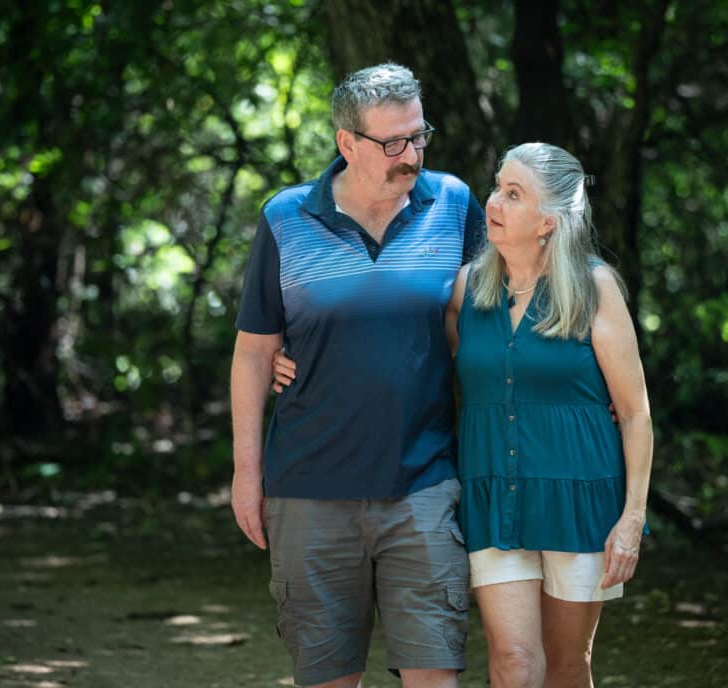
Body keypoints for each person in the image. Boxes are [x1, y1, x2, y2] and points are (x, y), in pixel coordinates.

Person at [277, 142, 654, 688]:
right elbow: (395, 348)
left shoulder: (593, 289)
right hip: (491, 495)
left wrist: (632, 519)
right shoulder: (467, 289)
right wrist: (289, 357)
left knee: (568, 666)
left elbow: (636, 412)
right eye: (498, 185)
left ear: (548, 221)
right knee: (516, 663)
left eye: (514, 194)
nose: (493, 201)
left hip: (579, 499)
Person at [231, 62, 485, 688]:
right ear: (347, 143)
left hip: (425, 484)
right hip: (309, 488)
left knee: (436, 675)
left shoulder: (454, 206)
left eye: (420, 136)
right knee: (328, 678)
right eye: (393, 142)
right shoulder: (285, 218)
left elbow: (491, 328)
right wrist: (245, 473)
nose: (412, 154)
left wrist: (584, 387)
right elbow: (254, 353)